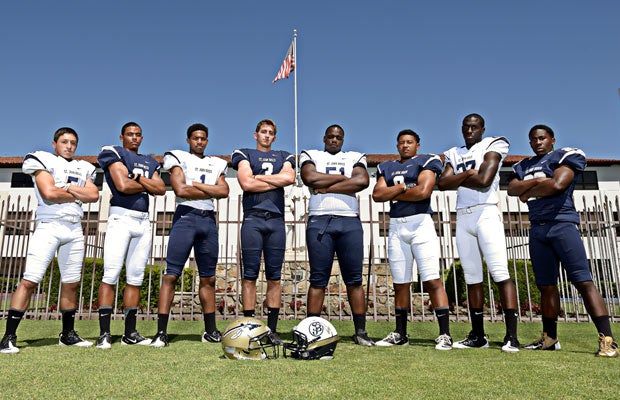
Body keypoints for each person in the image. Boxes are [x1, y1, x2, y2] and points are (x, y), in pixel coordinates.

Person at [507, 124, 618, 357]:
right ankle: (549, 338)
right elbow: (513, 189)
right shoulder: (523, 165)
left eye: (542, 138)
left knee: (583, 281)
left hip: (562, 225)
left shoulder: (565, 155)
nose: (537, 142)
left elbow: (558, 184)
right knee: (546, 286)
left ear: (552, 139)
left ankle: (608, 340)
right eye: (533, 140)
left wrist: (529, 191)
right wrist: (535, 186)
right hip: (538, 229)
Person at [0, 127, 99, 354]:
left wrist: (65, 186)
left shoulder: (83, 167)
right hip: (49, 227)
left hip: (74, 228)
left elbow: (93, 195)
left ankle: (67, 334)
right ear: (54, 144)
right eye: (64, 141)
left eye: (73, 142)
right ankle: (8, 337)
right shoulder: (42, 159)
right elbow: (49, 193)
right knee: (30, 280)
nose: (69, 146)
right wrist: (77, 191)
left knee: (72, 283)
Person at [438, 113, 519, 352]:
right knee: (473, 277)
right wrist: (467, 175)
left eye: (474, 127)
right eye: (466, 127)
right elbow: (442, 184)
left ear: (483, 128)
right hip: (463, 215)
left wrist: (458, 178)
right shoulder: (454, 152)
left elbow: (485, 179)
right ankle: (478, 335)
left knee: (499, 272)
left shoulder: (494, 144)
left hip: (486, 212)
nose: (470, 131)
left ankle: (511, 336)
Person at [372, 129, 452, 350]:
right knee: (400, 283)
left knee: (432, 279)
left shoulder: (428, 161)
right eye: (401, 142)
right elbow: (377, 195)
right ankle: (400, 333)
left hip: (420, 223)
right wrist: (402, 187)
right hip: (397, 226)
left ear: (418, 144)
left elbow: (423, 191)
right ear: (397, 146)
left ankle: (445, 333)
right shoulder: (386, 167)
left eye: (409, 142)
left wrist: (393, 193)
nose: (405, 145)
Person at [150, 123, 229, 347]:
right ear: (188, 140)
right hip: (185, 217)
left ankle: (210, 330)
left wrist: (193, 183)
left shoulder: (216, 163)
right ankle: (161, 332)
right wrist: (207, 188)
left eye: (203, 138)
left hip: (208, 220)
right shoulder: (178, 157)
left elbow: (224, 191)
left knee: (209, 278)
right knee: (171, 275)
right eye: (195, 138)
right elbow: (180, 190)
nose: (200, 142)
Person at [299, 124, 374, 346]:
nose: (334, 140)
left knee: (354, 280)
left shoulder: (354, 156)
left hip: (349, 220)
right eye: (330, 136)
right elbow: (310, 178)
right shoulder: (311, 154)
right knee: (318, 279)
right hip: (320, 220)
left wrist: (326, 188)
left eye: (338, 137)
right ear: (324, 138)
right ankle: (311, 330)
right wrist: (344, 179)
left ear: (343, 139)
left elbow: (362, 181)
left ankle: (360, 331)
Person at [96, 122, 165, 349]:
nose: (134, 138)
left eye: (137, 135)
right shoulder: (113, 152)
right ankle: (104, 333)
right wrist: (147, 184)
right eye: (130, 134)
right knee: (111, 274)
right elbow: (122, 186)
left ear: (142, 138)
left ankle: (129, 333)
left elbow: (161, 188)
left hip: (143, 220)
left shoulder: (150, 161)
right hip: (120, 218)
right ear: (122, 136)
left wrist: (137, 180)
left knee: (135, 277)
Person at [230, 119, 295, 345]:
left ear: (274, 137)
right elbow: (246, 184)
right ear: (255, 134)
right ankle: (249, 327)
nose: (266, 135)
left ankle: (272, 330)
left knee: (274, 277)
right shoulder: (244, 153)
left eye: (270, 133)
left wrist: (260, 178)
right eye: (263, 132)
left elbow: (290, 177)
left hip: (276, 220)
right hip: (253, 218)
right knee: (250, 276)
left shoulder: (284, 155)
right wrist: (274, 182)